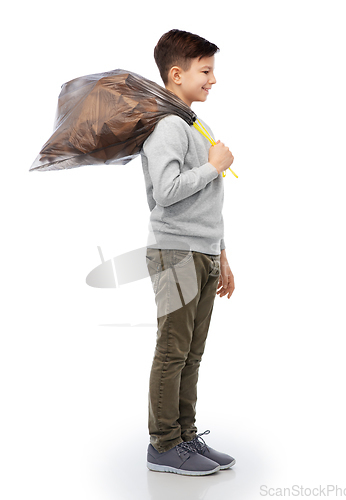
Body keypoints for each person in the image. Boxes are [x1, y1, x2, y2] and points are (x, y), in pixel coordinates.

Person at [141, 29, 236, 476]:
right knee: (173, 349)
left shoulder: (200, 126)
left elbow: (208, 202)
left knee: (193, 352)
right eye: (206, 70)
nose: (213, 79)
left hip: (201, 253)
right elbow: (166, 192)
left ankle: (184, 436)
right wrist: (212, 166)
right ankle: (163, 445)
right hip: (175, 252)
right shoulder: (167, 126)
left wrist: (223, 255)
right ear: (176, 75)